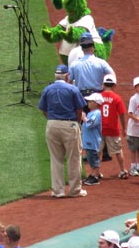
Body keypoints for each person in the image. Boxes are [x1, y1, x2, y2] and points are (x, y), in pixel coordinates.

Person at [38, 64, 88, 198]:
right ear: (67, 76)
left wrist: (52, 119)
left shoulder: (47, 89)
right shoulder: (72, 89)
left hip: (52, 125)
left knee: (56, 159)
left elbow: (43, 109)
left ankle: (58, 191)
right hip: (69, 124)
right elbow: (79, 110)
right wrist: (76, 123)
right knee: (74, 158)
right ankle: (75, 190)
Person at [100, 74, 128, 179]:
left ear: (103, 84)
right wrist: (124, 128)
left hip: (100, 129)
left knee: (98, 152)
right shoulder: (117, 98)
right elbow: (121, 114)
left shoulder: (99, 96)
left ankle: (96, 172)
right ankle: (123, 170)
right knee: (118, 151)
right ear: (114, 85)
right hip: (113, 129)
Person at [82, 92, 104, 187]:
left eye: (91, 101)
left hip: (93, 140)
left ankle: (95, 176)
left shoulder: (97, 113)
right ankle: (92, 174)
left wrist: (84, 118)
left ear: (96, 103)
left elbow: (90, 124)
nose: (88, 103)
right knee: (90, 158)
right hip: (89, 140)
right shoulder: (92, 113)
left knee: (94, 158)